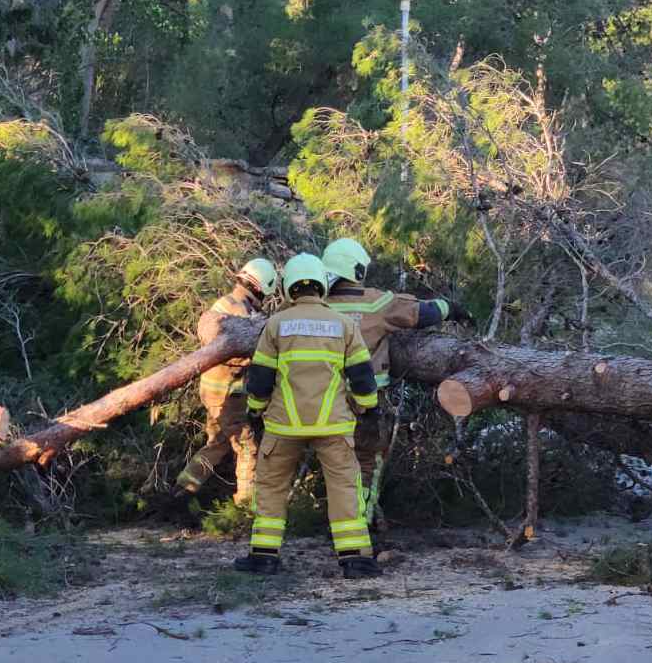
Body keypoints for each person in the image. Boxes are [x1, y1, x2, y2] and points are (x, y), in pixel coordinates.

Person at [235, 253, 383, 579]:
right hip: (334, 424)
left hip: (283, 425)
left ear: (289, 286)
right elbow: (362, 376)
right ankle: (355, 559)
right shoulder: (343, 324)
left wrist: (255, 412)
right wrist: (367, 408)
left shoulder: (275, 324)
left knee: (271, 487)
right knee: (345, 488)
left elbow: (260, 380)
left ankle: (263, 556)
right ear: (321, 284)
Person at [320, 237, 470, 524]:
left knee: (333, 464)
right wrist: (452, 307)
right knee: (366, 463)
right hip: (366, 405)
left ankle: (335, 517)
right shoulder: (377, 303)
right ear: (357, 270)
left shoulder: (315, 307)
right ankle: (355, 525)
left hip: (319, 402)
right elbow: (423, 313)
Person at [173, 258, 279, 505]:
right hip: (228, 393)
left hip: (213, 390)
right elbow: (244, 356)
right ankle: (245, 506)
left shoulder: (226, 304)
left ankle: (181, 492)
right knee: (247, 445)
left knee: (218, 443)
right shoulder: (240, 314)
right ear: (260, 287)